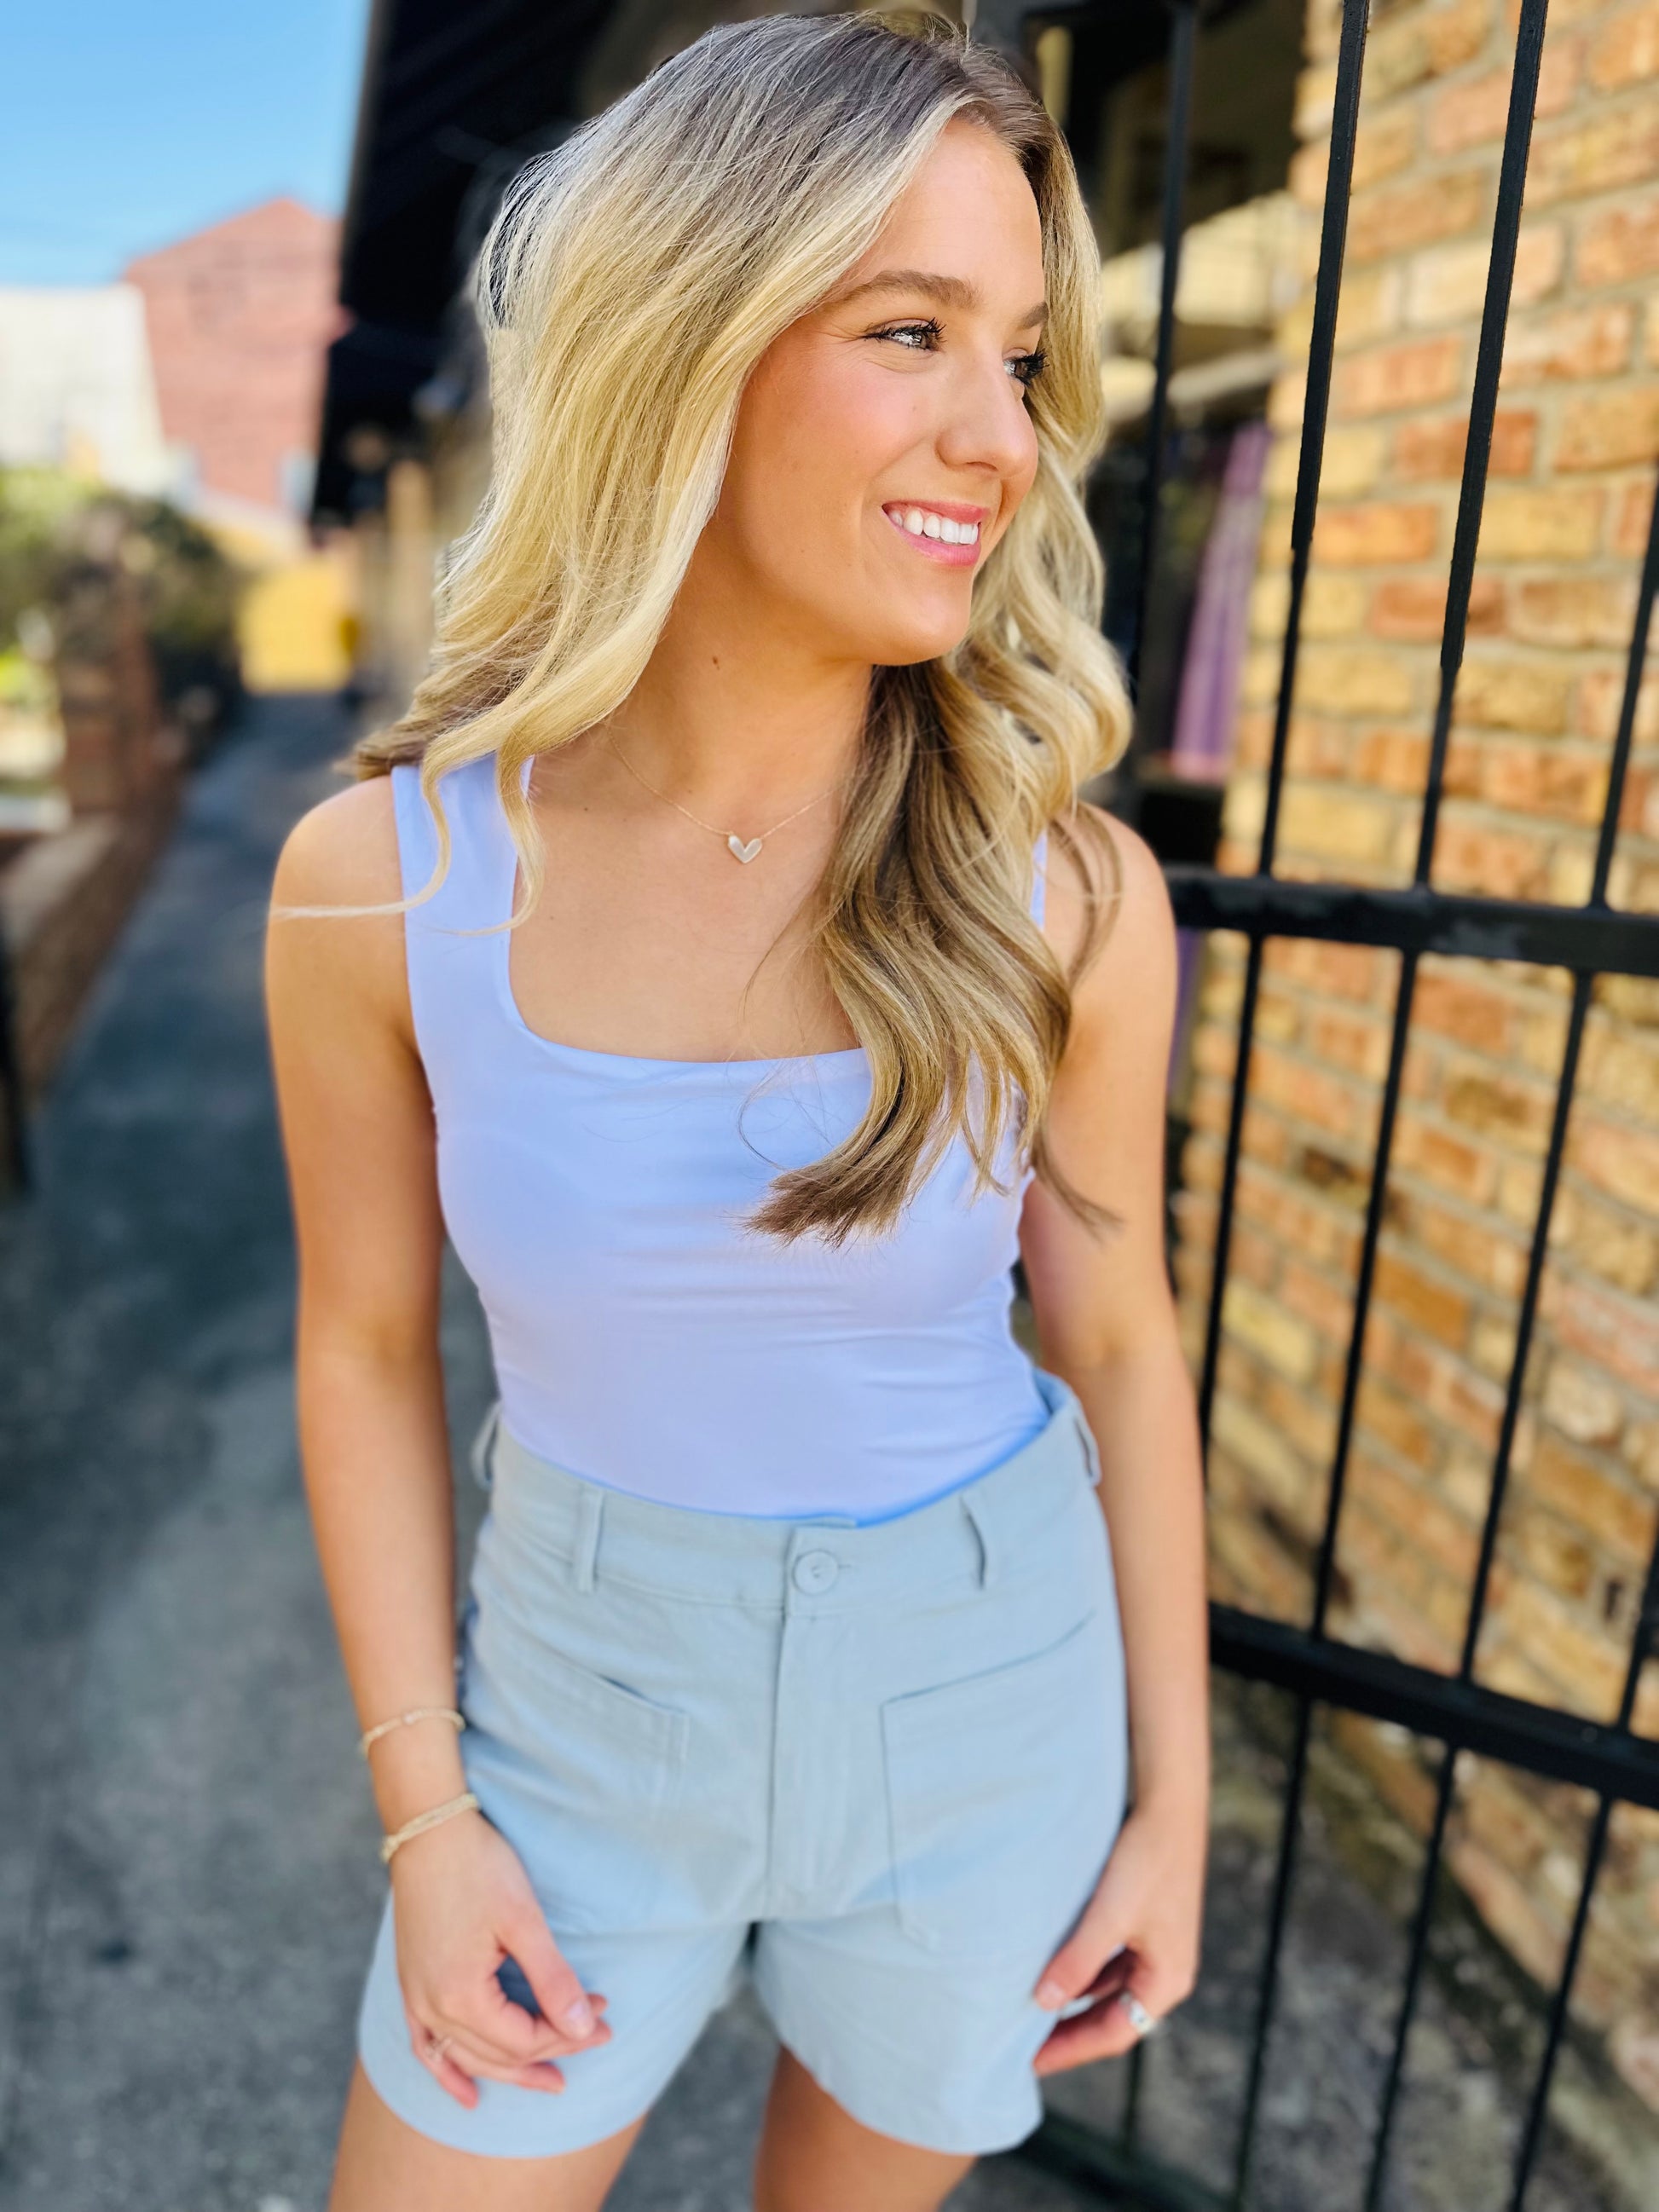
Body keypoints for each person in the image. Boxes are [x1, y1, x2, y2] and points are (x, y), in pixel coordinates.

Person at [264, 14, 1209, 2209]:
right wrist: (427, 1819)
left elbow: (1119, 1329)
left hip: (989, 1697)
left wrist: (1174, 1802)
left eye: (1022, 356)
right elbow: (362, 1345)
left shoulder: (1070, 894)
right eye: (911, 331)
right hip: (579, 1707)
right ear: (686, 340)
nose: (1000, 435)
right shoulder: (382, 882)